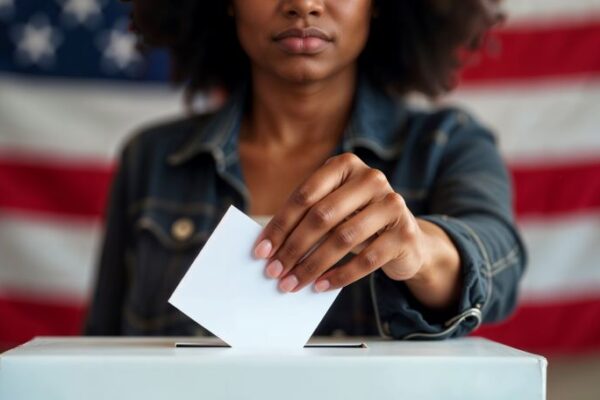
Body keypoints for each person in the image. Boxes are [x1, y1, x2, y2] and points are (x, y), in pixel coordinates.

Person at [86, 0, 526, 340]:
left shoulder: (448, 143)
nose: (304, 4)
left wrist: (421, 251)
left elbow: (499, 261)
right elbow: (97, 351)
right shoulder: (152, 157)